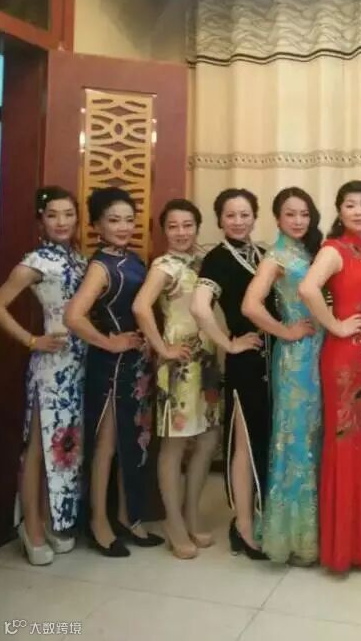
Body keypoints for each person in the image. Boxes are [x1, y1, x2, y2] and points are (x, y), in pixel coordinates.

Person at [298, 180, 361, 572]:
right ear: (339, 212)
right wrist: (336, 325)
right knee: (347, 444)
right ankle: (349, 547)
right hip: (345, 359)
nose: (358, 211)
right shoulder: (334, 249)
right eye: (350, 205)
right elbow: (308, 289)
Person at [64, 187, 162, 557]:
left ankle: (128, 515)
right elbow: (73, 316)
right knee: (105, 446)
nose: (122, 227)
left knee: (132, 443)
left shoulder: (133, 260)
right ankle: (99, 522)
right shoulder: (100, 266)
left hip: (135, 368)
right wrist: (109, 342)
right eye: (113, 220)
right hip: (109, 368)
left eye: (128, 220)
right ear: (97, 225)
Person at [0, 186, 86, 565]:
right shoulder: (36, 261)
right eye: (52, 215)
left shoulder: (80, 260)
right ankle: (30, 526)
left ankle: (51, 519)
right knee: (36, 447)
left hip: (80, 364)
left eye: (68, 214)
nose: (61, 222)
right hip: (51, 368)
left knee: (63, 446)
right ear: (41, 220)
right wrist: (32, 340)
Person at [133, 199, 222, 560]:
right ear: (164, 231)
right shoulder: (164, 266)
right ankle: (173, 523)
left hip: (207, 362)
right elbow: (141, 307)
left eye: (188, 225)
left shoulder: (203, 261)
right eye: (173, 226)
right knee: (174, 444)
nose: (181, 232)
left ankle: (191, 515)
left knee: (208, 439)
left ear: (198, 227)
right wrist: (162, 348)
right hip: (179, 365)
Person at [191, 188, 274, 560]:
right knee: (244, 444)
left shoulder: (262, 254)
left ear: (255, 216)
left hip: (272, 360)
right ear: (219, 220)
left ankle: (256, 515)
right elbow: (199, 307)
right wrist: (228, 343)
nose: (238, 221)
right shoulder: (218, 258)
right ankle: (242, 525)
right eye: (230, 215)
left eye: (245, 214)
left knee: (263, 439)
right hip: (246, 363)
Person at [242, 187, 323, 565]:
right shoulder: (275, 257)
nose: (298, 220)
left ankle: (315, 532)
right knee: (294, 441)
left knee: (315, 438)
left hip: (321, 352)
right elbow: (250, 305)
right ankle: (291, 537)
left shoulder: (309, 251)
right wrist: (286, 331)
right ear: (277, 218)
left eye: (304, 214)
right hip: (295, 357)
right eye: (290, 214)